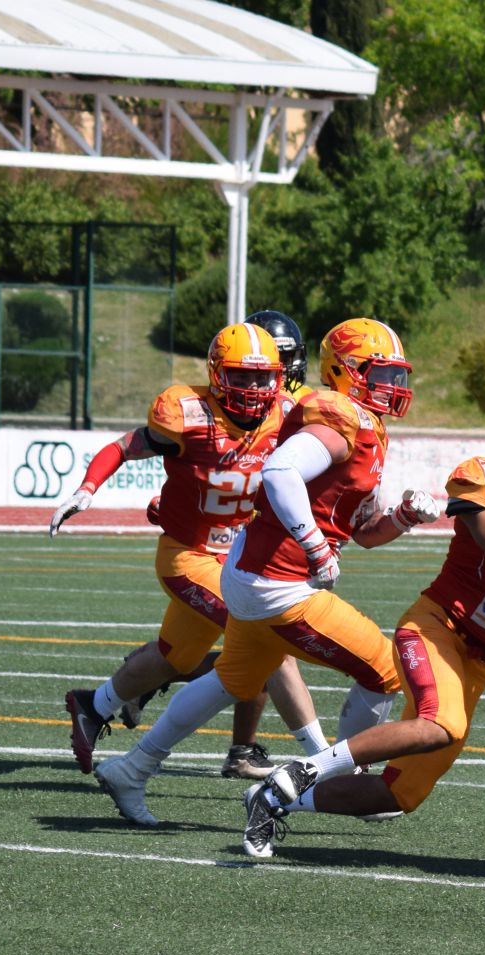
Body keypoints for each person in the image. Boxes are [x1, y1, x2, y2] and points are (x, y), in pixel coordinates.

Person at [239, 382, 485, 860]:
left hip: (484, 655)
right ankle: (307, 769)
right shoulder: (480, 475)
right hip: (439, 627)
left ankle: (274, 799)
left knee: (400, 794)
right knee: (439, 723)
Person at [92, 318, 439, 827]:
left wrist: (404, 518)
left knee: (233, 678)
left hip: (253, 573)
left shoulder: (365, 425)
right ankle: (338, 778)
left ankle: (132, 767)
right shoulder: (339, 416)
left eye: (395, 375)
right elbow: (280, 471)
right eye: (379, 373)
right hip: (278, 582)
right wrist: (315, 546)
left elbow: (364, 533)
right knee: (385, 669)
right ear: (344, 371)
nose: (392, 385)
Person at [49, 322, 323, 780]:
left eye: (262, 377)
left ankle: (92, 706)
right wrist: (86, 489)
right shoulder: (187, 414)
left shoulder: (287, 416)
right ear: (217, 373)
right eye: (241, 375)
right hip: (189, 557)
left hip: (239, 559)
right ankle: (324, 758)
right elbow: (122, 448)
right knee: (269, 636)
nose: (253, 388)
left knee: (173, 658)